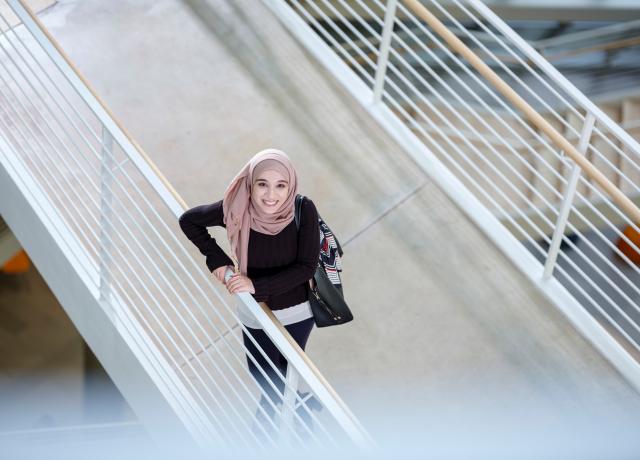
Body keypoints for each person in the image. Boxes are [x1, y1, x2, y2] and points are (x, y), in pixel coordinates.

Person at [178, 148, 320, 439]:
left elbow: (307, 267)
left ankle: (262, 441)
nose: (271, 195)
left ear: (290, 185)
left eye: (281, 185)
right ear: (250, 183)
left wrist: (257, 287)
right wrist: (216, 259)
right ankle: (300, 404)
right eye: (262, 184)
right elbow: (188, 221)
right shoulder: (236, 206)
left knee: (275, 384)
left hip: (296, 312)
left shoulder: (304, 210)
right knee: (263, 375)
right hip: (253, 313)